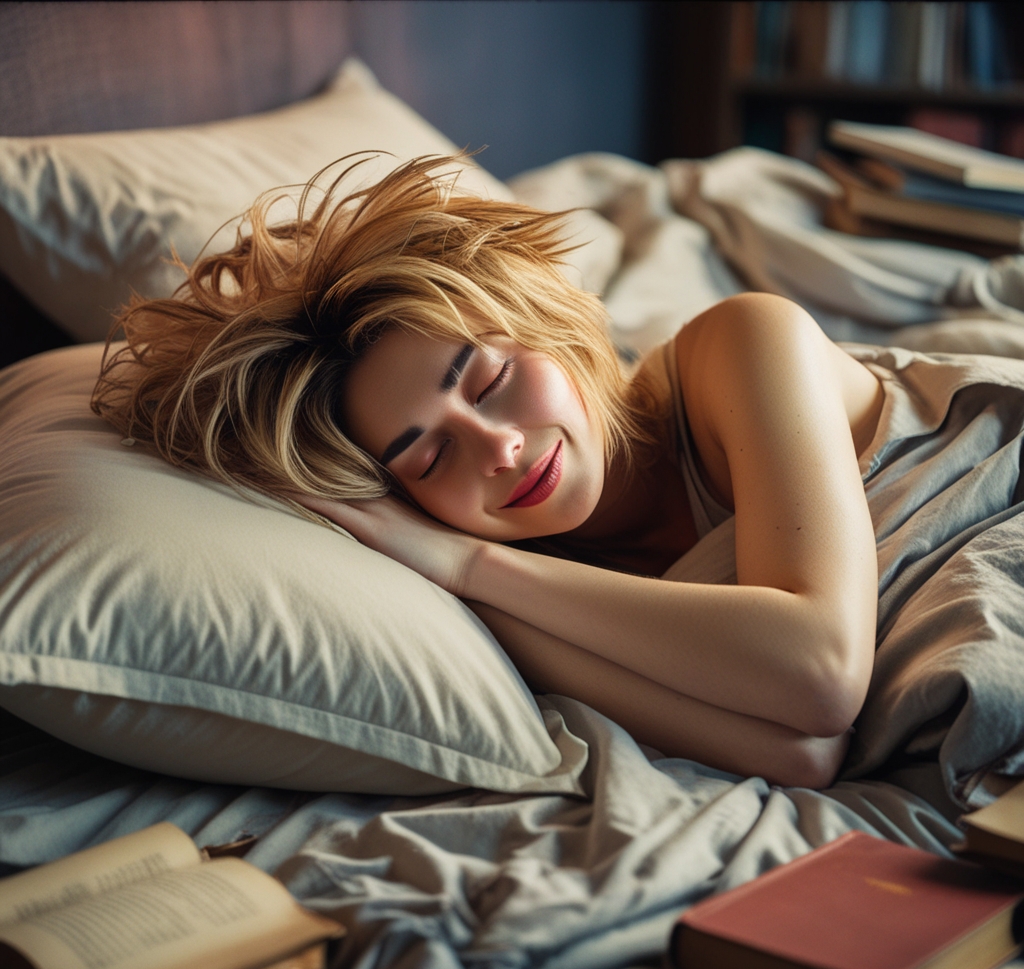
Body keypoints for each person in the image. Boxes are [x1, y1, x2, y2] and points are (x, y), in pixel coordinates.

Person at [93, 155, 886, 789]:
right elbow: (803, 756)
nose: (499, 450)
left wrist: (474, 564)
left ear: (544, 321)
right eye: (431, 456)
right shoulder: (525, 593)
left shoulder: (741, 342)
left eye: (492, 383)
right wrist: (481, 586)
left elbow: (819, 676)